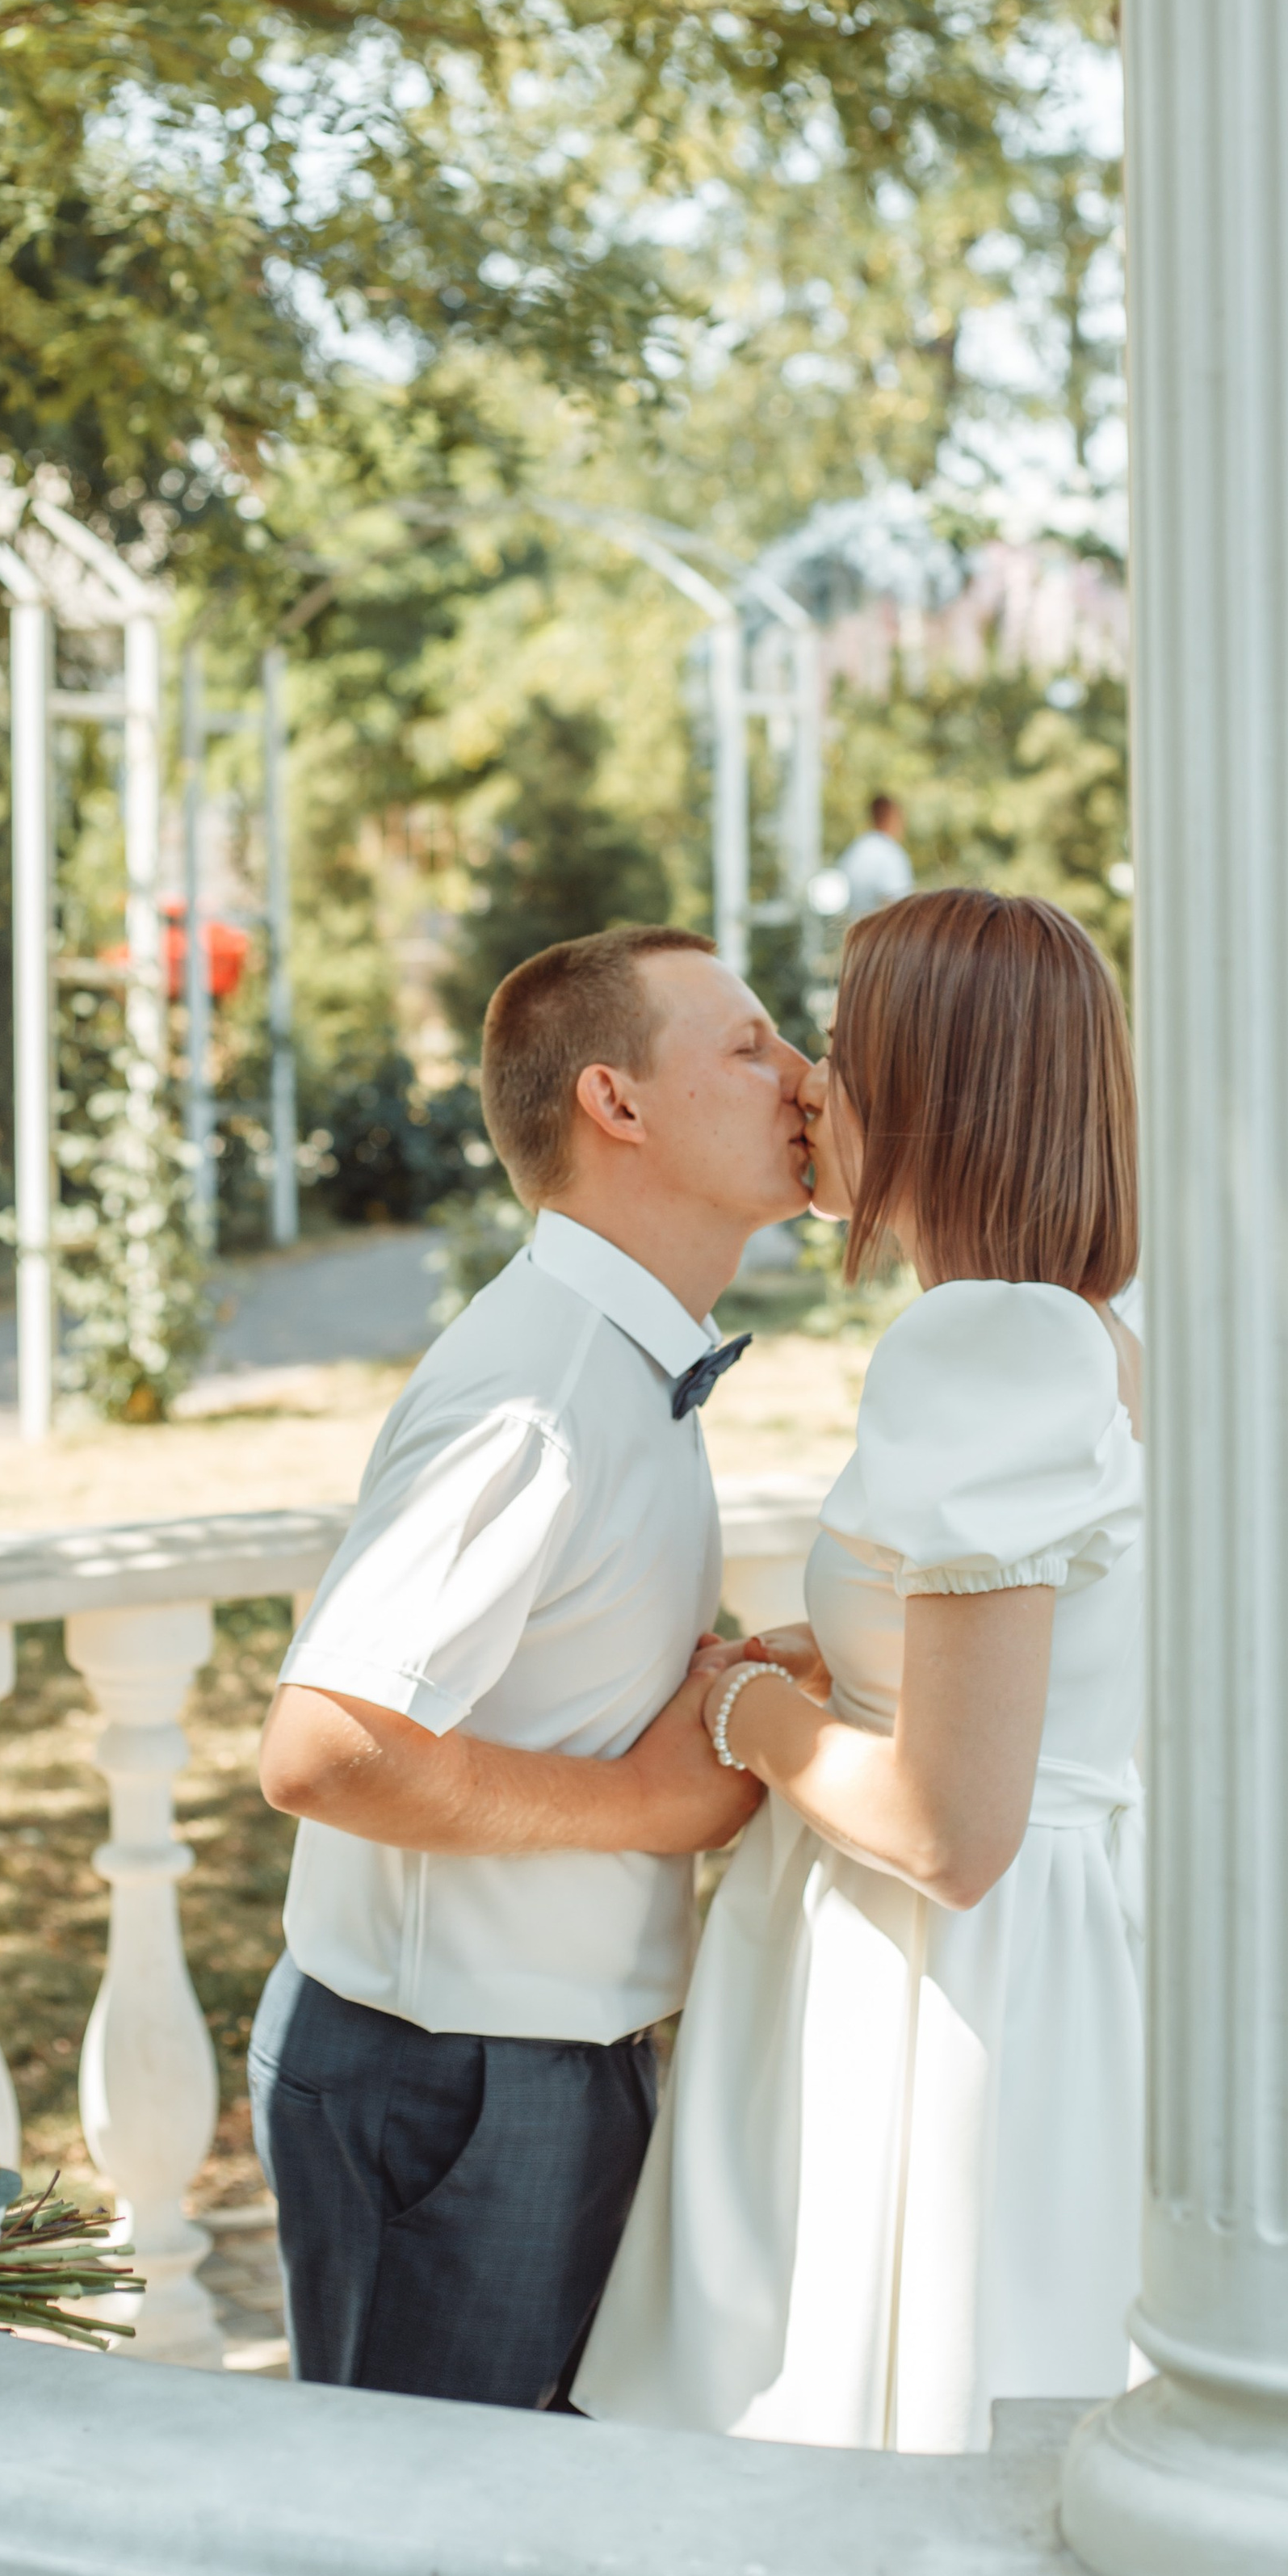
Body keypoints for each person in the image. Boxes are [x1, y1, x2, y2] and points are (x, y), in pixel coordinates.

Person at [576, 889, 1144, 2452]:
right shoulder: (1097, 1328)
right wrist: (849, 1653)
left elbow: (951, 1833)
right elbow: (1046, 1642)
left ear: (939, 1093)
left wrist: (748, 1711)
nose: (809, 1085)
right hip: (1062, 1968)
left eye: (837, 1046)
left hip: (930, 1988)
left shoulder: (984, 1353)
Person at [251, 927, 810, 2413]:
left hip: (535, 2063)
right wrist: (646, 1803)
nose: (805, 1078)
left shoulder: (613, 1355)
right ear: (617, 1102)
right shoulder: (539, 1393)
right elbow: (321, 1744)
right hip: (455, 2085)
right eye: (753, 1044)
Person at [834, 792, 915, 918]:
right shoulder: (890, 853)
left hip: (855, 931)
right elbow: (896, 904)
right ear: (892, 817)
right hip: (883, 933)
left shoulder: (855, 850)